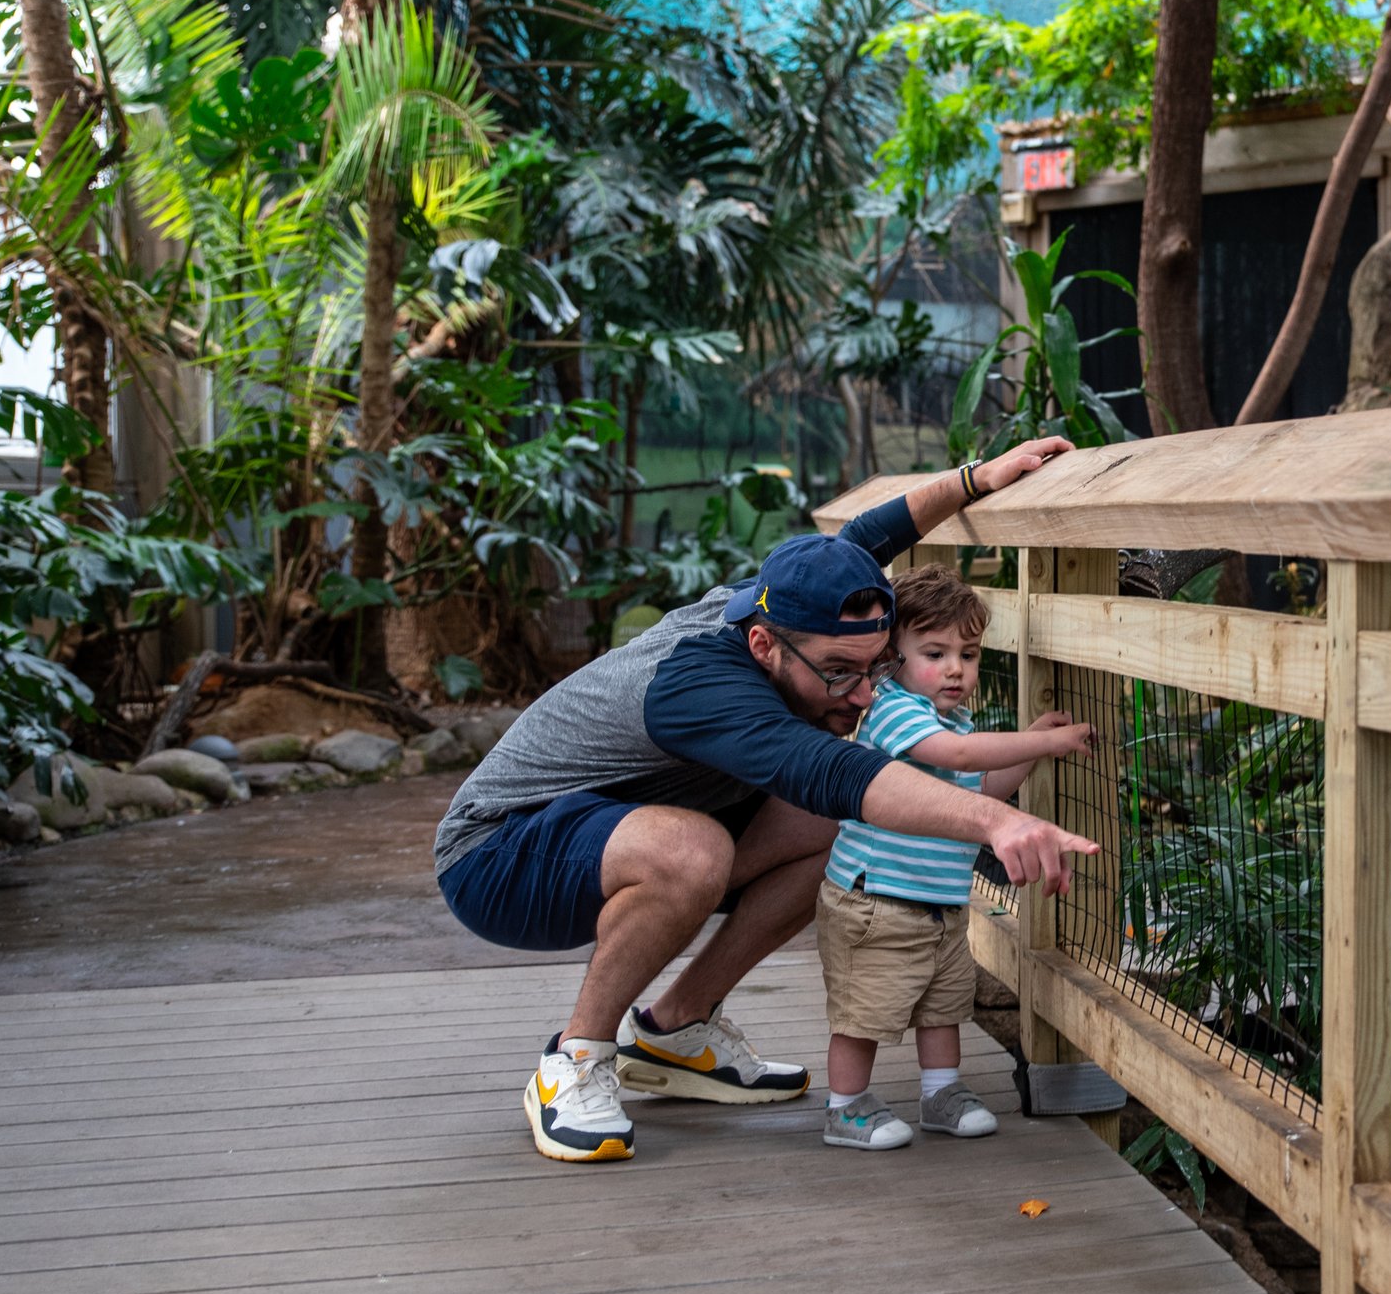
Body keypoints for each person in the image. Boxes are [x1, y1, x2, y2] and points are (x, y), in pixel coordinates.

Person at [431, 441, 1095, 1164]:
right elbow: (835, 771)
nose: (866, 693)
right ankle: (577, 1060)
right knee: (698, 849)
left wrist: (976, 479)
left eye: (875, 667)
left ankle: (676, 1027)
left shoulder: (785, 607)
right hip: (497, 857)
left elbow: (863, 541)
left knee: (828, 830)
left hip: (612, 826)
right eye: (840, 674)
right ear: (762, 646)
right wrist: (997, 819)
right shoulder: (701, 686)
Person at [817, 566, 1095, 1150]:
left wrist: (1030, 752)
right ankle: (844, 1107)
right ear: (892, 659)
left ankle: (941, 1092)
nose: (955, 669)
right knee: (865, 1008)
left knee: (944, 1002)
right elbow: (957, 753)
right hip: (877, 900)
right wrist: (1042, 740)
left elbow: (981, 791)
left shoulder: (950, 718)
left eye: (968, 655)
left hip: (940, 901)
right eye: (936, 652)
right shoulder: (894, 712)